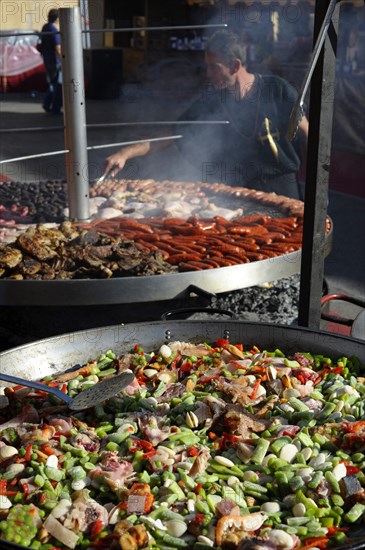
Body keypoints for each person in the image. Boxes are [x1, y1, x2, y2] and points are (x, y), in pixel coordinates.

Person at [104, 29, 308, 199]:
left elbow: (309, 133)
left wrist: (317, 186)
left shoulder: (277, 89)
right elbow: (173, 135)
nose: (208, 74)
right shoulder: (211, 101)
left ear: (235, 65)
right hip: (238, 190)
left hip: (283, 187)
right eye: (207, 66)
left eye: (214, 67)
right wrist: (125, 153)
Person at [40, 9, 62, 115]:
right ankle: (55, 108)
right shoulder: (54, 30)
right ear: (57, 18)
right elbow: (58, 48)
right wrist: (63, 60)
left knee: (53, 83)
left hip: (47, 60)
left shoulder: (45, 27)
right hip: (54, 61)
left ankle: (47, 103)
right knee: (57, 85)